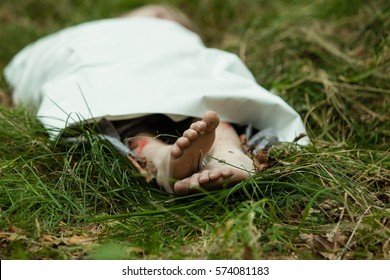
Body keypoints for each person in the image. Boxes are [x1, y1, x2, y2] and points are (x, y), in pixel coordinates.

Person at [4, 5, 308, 195]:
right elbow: (44, 61)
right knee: (203, 106)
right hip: (112, 67)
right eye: (158, 13)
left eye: (172, 19)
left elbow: (26, 73)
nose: (164, 17)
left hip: (162, 69)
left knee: (192, 98)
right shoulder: (92, 34)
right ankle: (206, 152)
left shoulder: (171, 39)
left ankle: (198, 155)